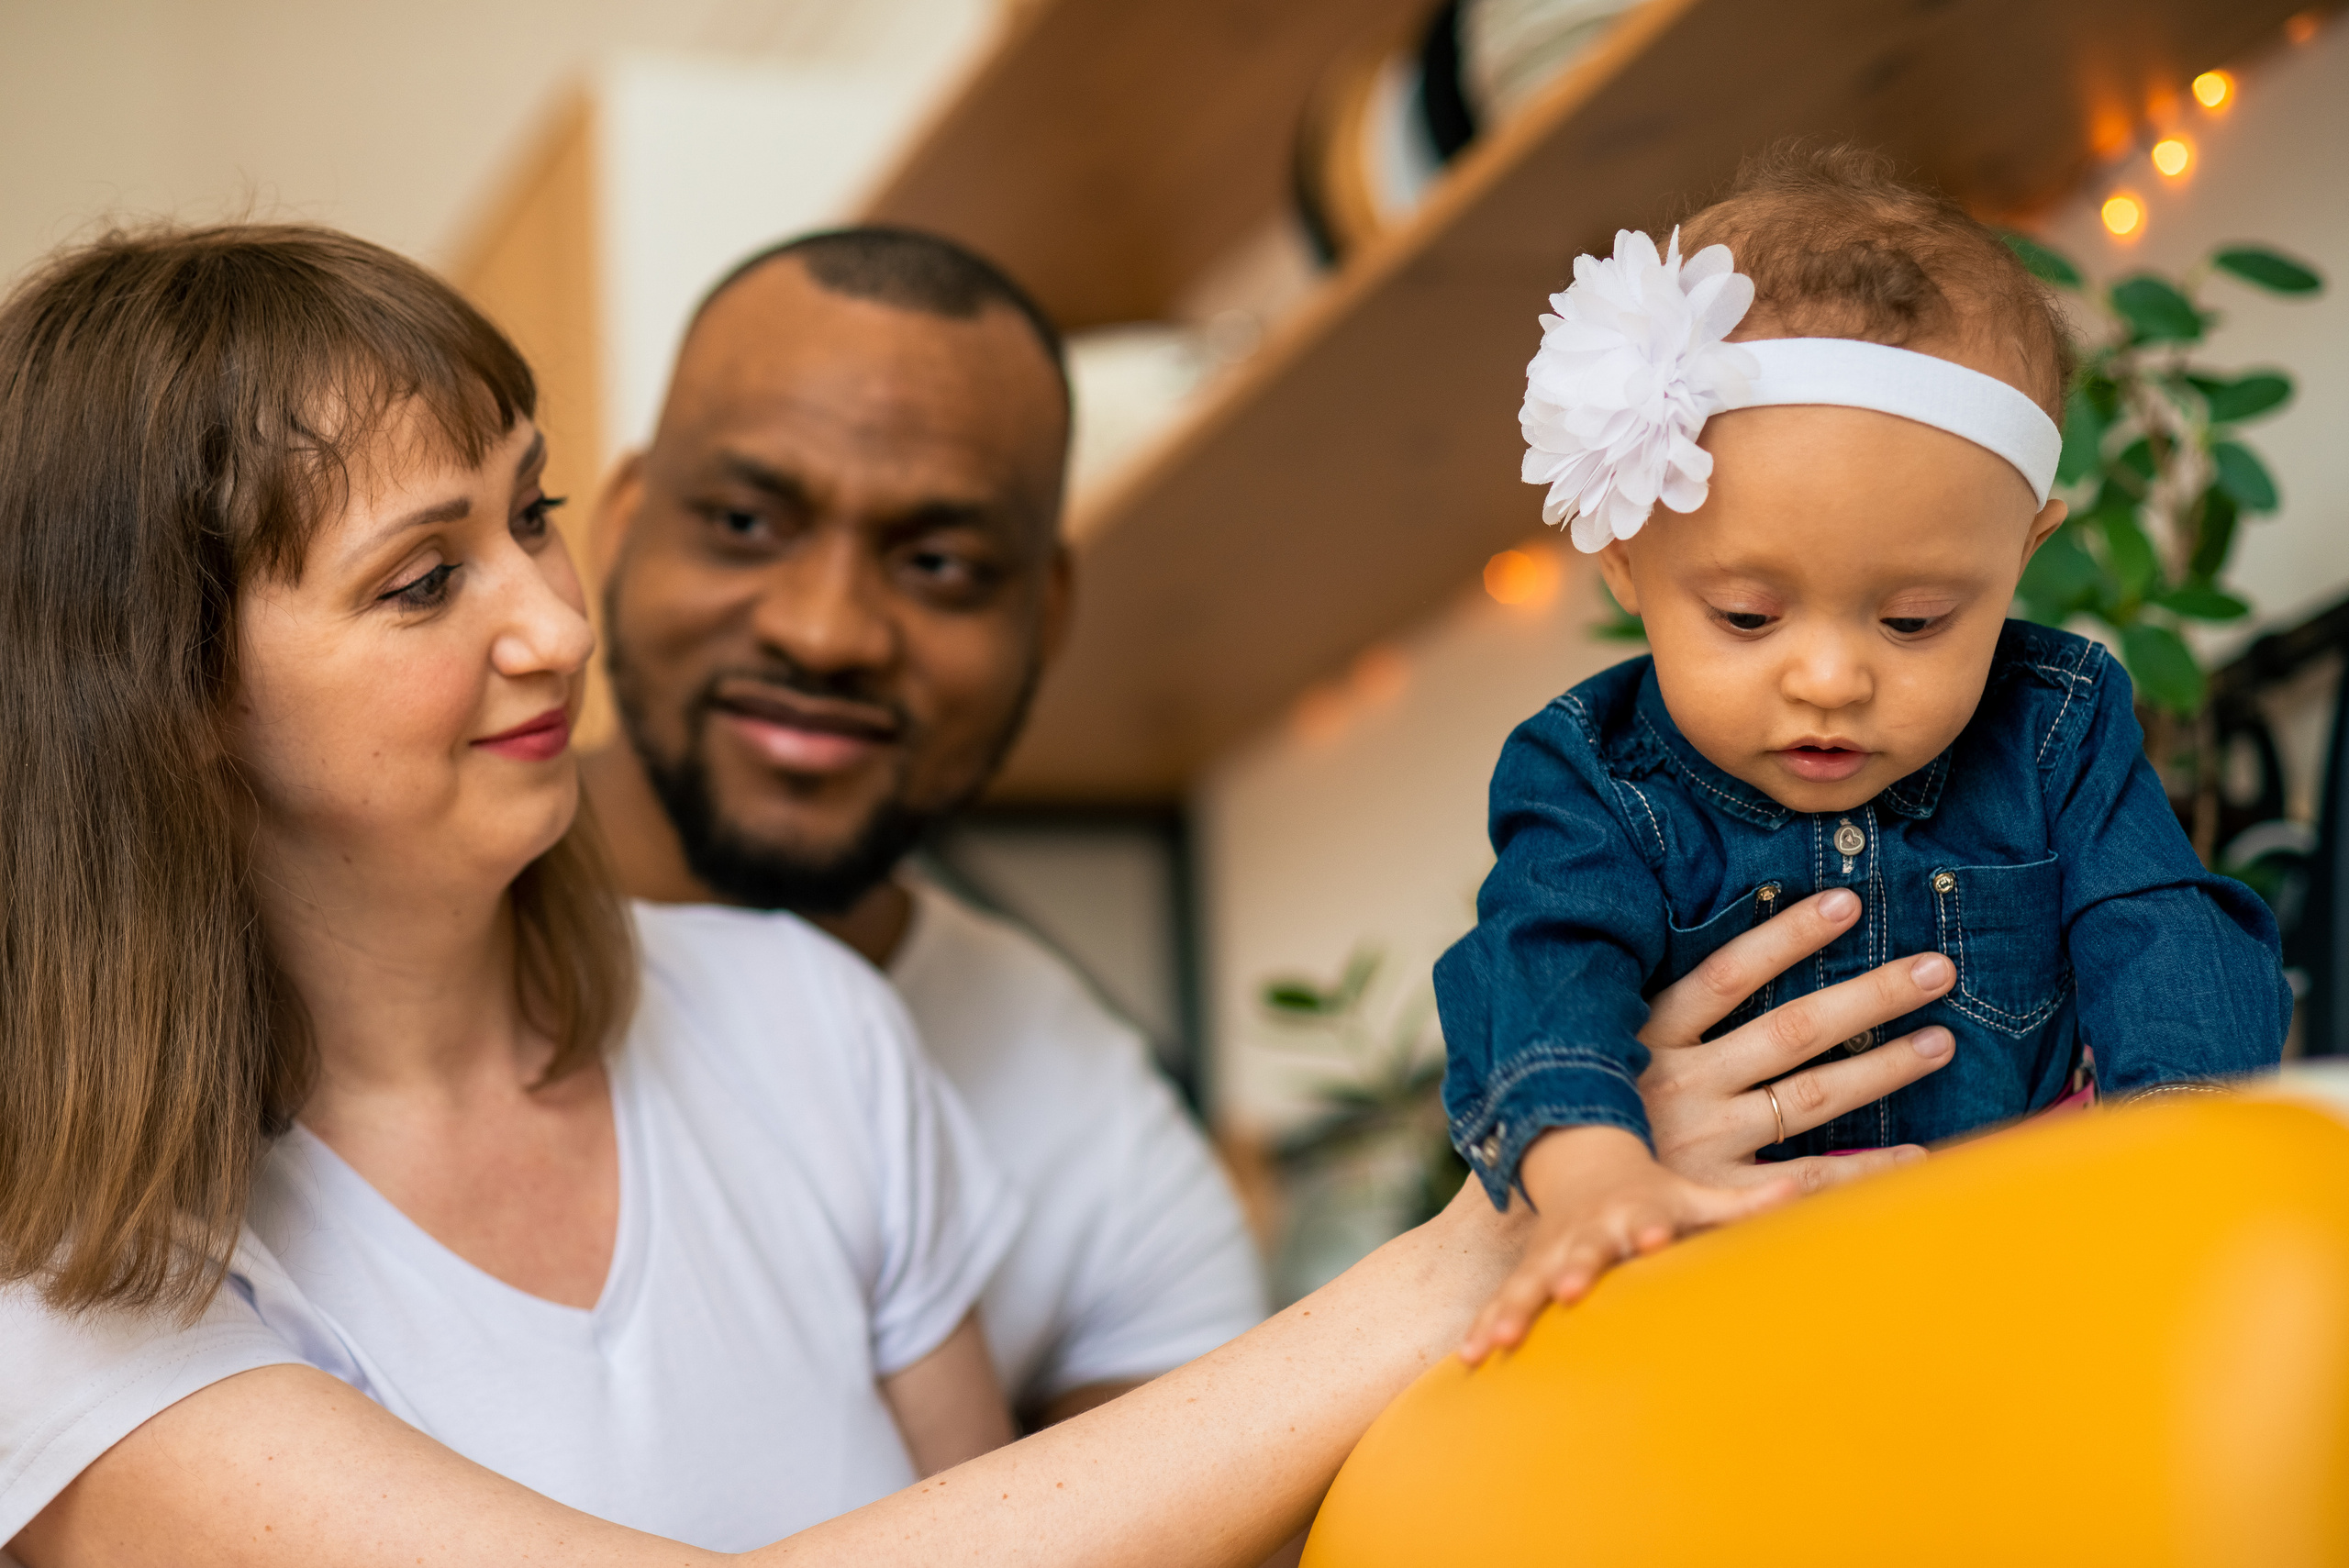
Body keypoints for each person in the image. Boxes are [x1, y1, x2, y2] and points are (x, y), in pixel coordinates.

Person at [0, 222, 1962, 1563]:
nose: (552, 625)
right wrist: (1483, 1235)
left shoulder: (792, 1014)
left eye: (531, 520)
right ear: (167, 707)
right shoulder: (66, 1290)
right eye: (426, 583)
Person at [1436, 145, 2294, 1360]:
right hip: (1734, 1310)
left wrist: (2176, 1151)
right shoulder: (1593, 776)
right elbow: (1540, 979)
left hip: (2027, 1277)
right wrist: (1592, 1180)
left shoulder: (2057, 722)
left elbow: (2163, 929)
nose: (1831, 679)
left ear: (2024, 551)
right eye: (1746, 615)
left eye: (1914, 622)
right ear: (1626, 562)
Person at [580, 228, 1264, 1423]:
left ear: (1045, 614)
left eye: (938, 562)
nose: (828, 629)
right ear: (623, 522)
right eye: (746, 523)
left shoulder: (1091, 1121)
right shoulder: (339, 945)